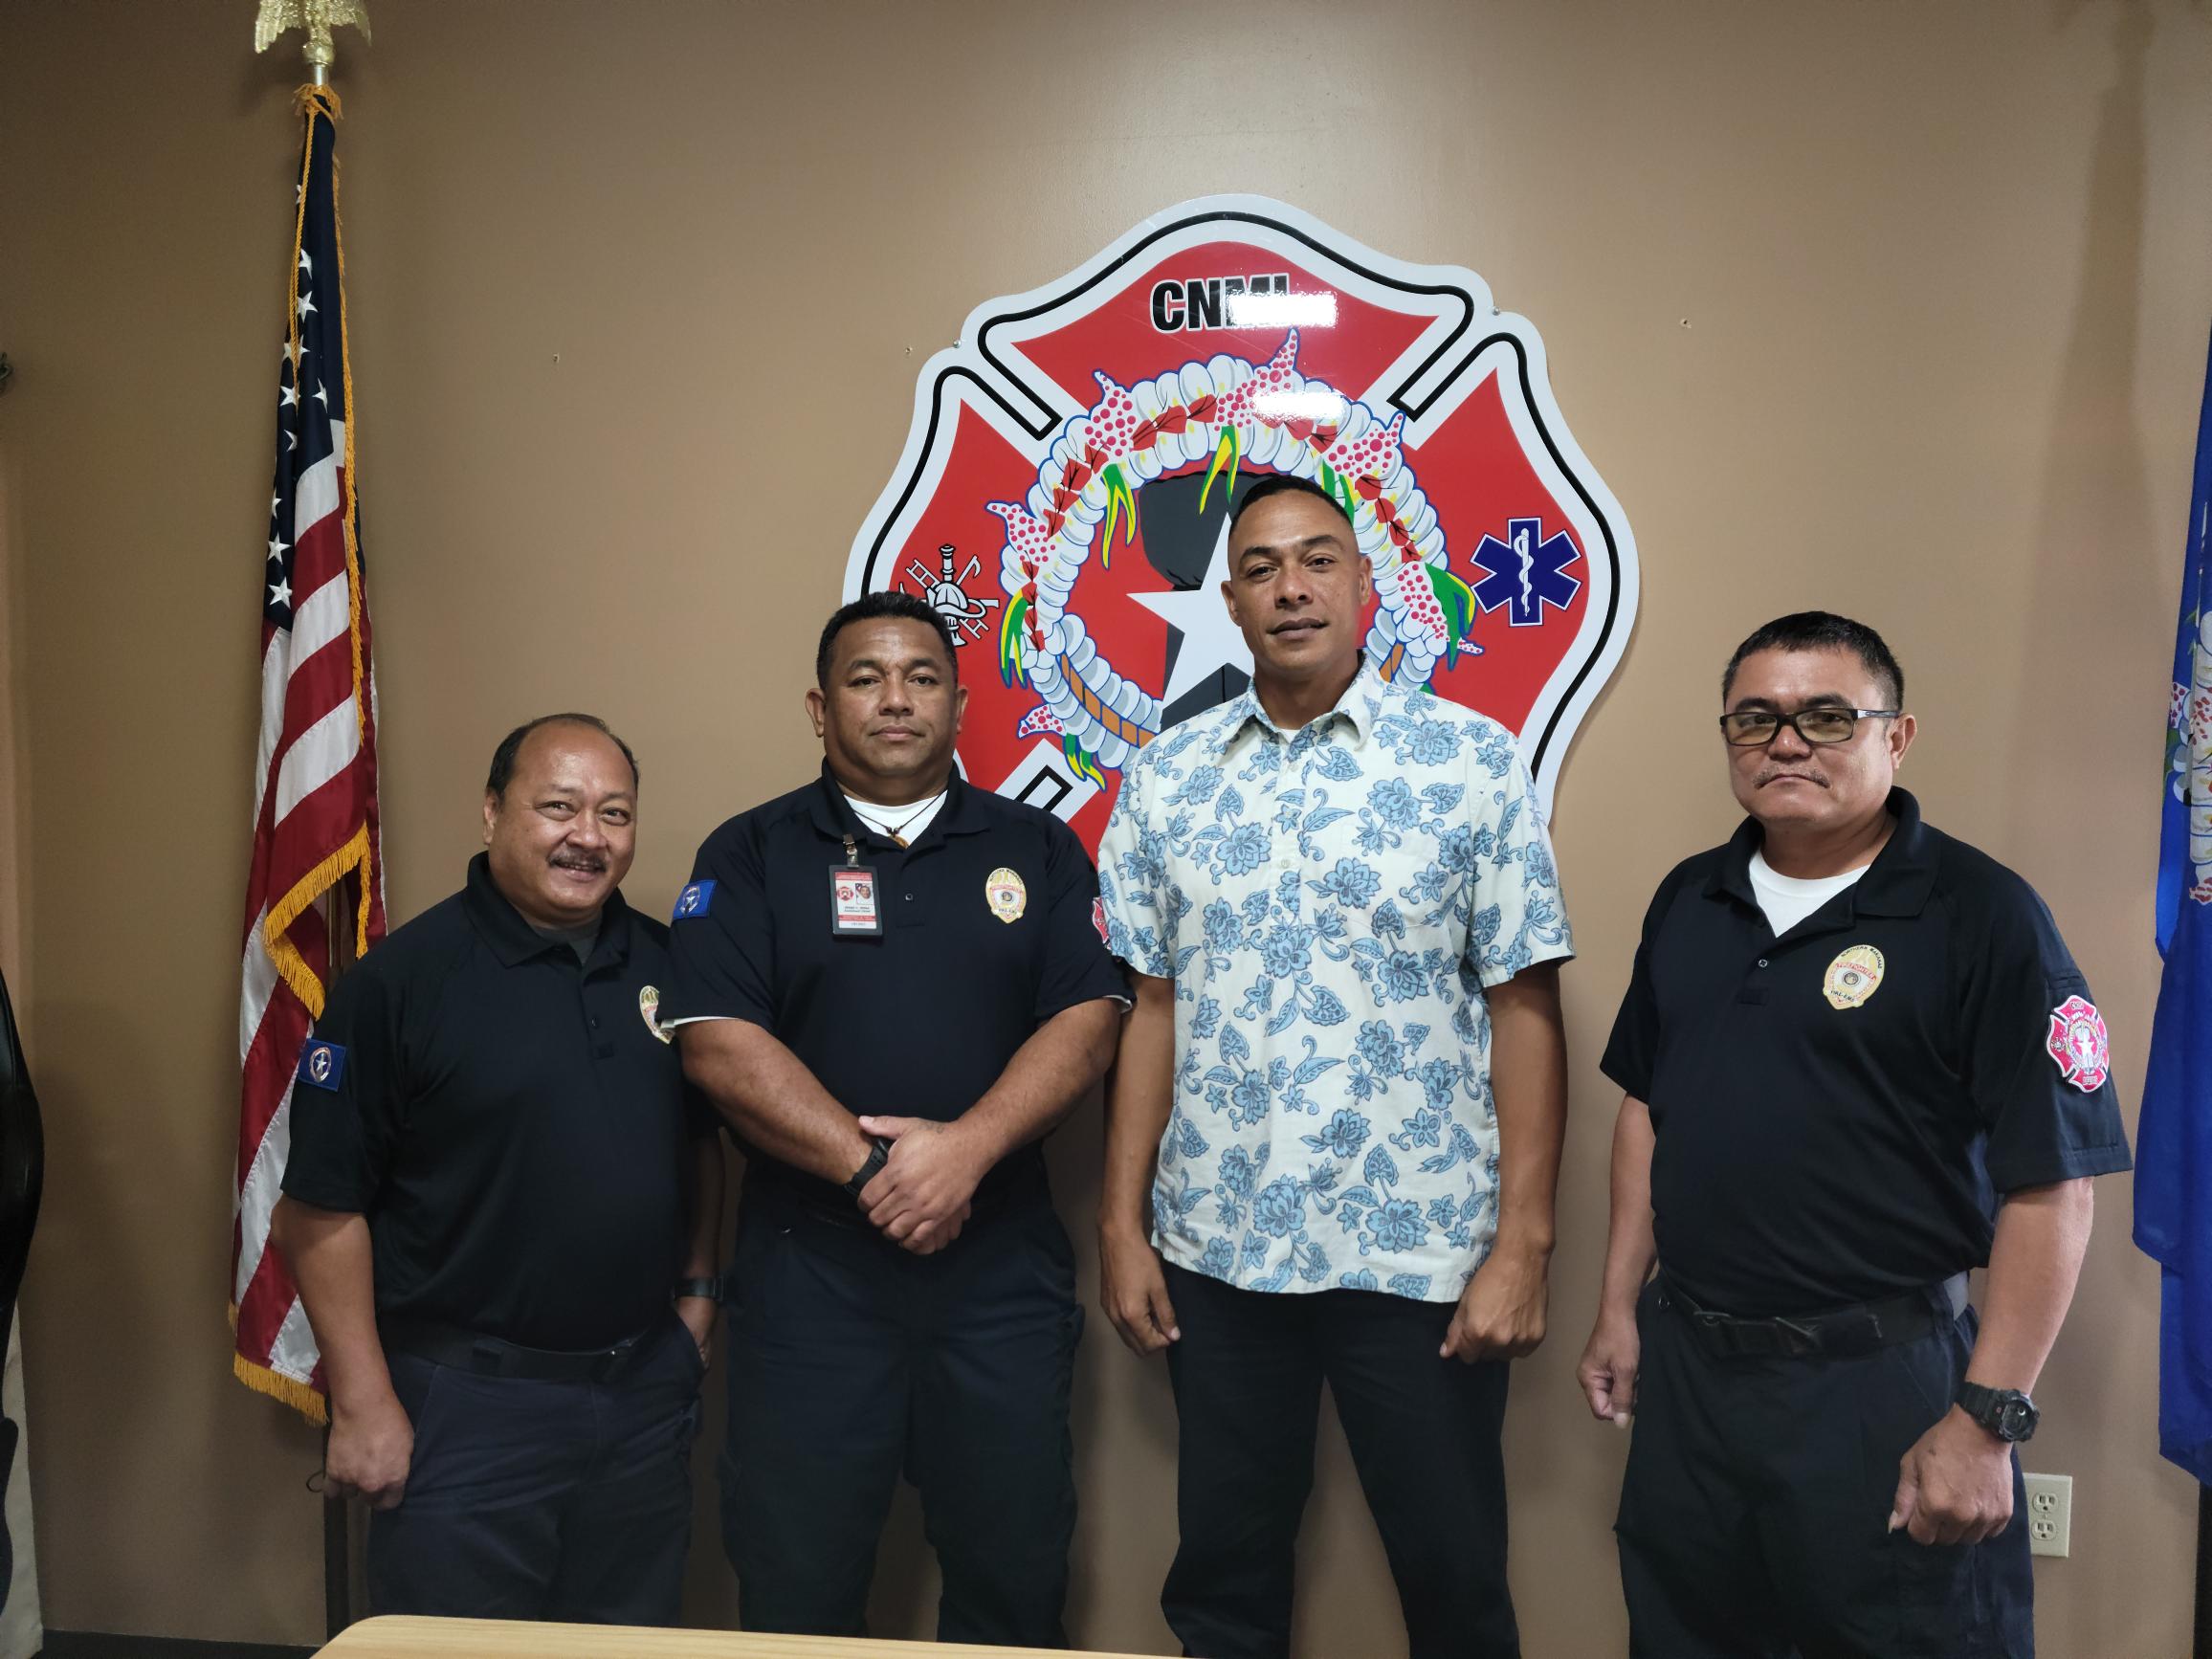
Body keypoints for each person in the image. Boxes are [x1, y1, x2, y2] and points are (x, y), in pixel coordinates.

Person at [1576, 611, 2134, 1657]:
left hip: (1881, 1383)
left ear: (1897, 736)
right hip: (1692, 1378)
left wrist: (1983, 1421)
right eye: (1756, 719)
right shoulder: (1689, 900)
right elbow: (1647, 1109)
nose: (1785, 741)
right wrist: (1616, 1307)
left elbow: (2052, 1187)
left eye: (1825, 716)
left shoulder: (1982, 916)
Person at [1095, 473, 1574, 1659]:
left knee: (1455, 1579)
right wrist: (1118, 1226)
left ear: (1367, 587)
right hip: (1218, 1246)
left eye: (1317, 560)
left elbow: (1524, 1007)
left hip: (1417, 1252)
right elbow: (1148, 1008)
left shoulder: (1468, 761)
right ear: (1230, 600)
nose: (1290, 587)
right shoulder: (1166, 778)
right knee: (1220, 1578)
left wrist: (1524, 1242)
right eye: (1259, 568)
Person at [665, 591, 1126, 1646]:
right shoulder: (750, 854)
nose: (894, 700)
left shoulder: (1037, 849)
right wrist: (877, 1173)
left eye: (920, 678)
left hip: (998, 1267)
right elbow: (717, 1047)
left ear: (959, 705)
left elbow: (1088, 1022)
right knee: (797, 1575)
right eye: (864, 679)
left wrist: (962, 1154)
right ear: (819, 709)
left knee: (1013, 1574)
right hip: (810, 1272)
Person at [273, 713, 723, 1624]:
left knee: (630, 1647)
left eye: (614, 813)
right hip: (467, 1408)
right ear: (491, 813)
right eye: (557, 807)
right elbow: (318, 1209)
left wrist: (698, 1301)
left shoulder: (674, 969)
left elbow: (700, 1146)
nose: (587, 837)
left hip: (641, 1395)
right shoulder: (399, 984)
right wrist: (362, 1404)